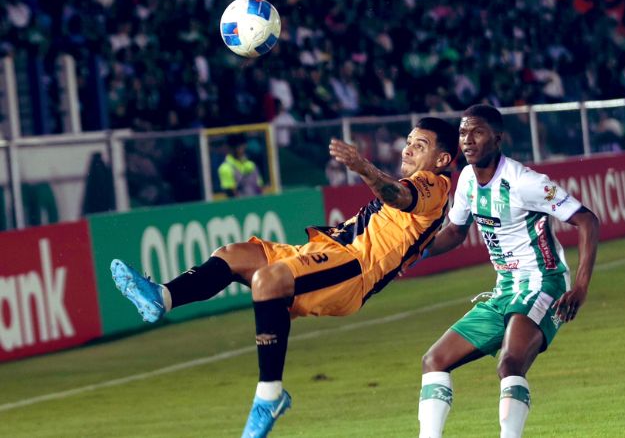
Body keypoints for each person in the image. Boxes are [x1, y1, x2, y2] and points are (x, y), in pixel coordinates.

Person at [109, 117, 459, 438]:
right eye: (409, 140)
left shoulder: (434, 185)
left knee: (267, 281)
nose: (408, 148)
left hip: (354, 268)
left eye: (420, 144)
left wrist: (361, 166)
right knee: (234, 255)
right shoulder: (423, 192)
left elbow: (397, 196)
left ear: (442, 160)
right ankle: (163, 296)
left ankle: (269, 395)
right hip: (325, 249)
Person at [416, 105, 600, 438]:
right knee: (434, 360)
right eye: (462, 133)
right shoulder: (468, 180)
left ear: (497, 138)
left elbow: (587, 219)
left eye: (477, 132)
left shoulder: (524, 182)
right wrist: (413, 252)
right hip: (504, 290)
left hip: (543, 283)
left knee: (509, 363)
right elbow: (456, 232)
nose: (468, 140)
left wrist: (582, 286)